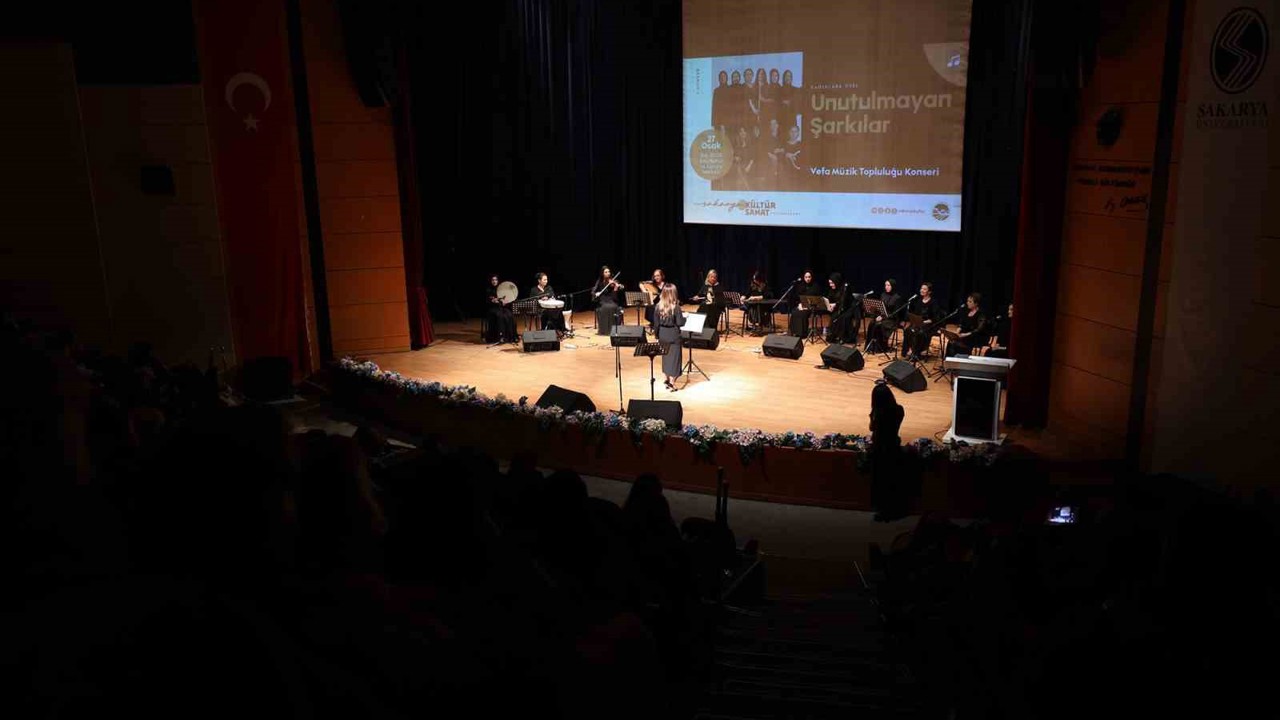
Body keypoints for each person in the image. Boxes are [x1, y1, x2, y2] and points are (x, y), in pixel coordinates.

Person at [869, 381, 908, 521]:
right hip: (894, 445)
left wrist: (872, 413)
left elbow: (872, 428)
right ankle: (895, 508)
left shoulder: (878, 415)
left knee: (881, 480)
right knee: (893, 480)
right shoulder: (900, 410)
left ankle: (883, 511)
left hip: (880, 449)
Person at [901, 281, 943, 359]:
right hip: (919, 323)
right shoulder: (919, 301)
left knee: (919, 332)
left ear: (929, 292)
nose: (922, 290)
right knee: (908, 330)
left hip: (929, 324)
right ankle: (910, 350)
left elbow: (935, 318)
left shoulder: (933, 302)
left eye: (924, 289)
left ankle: (916, 352)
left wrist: (925, 322)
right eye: (921, 288)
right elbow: (916, 314)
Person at [654, 285, 684, 390]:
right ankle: (672, 382)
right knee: (675, 359)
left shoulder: (658, 306)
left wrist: (657, 336)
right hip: (673, 335)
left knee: (665, 357)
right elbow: (680, 323)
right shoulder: (676, 307)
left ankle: (666, 379)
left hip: (662, 334)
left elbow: (656, 324)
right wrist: (685, 318)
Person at [866, 279, 904, 353]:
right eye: (885, 285)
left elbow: (895, 314)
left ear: (893, 286)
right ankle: (871, 346)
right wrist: (877, 315)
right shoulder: (883, 295)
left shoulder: (897, 298)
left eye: (888, 285)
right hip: (883, 317)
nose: (886, 287)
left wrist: (883, 317)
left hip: (892, 319)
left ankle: (880, 348)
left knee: (879, 325)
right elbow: (880, 309)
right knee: (872, 323)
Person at [946, 292, 990, 357]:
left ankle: (958, 361)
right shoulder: (967, 312)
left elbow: (979, 329)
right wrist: (956, 333)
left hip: (974, 337)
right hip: (964, 335)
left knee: (956, 343)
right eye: (967, 301)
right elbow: (961, 324)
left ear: (976, 303)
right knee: (951, 342)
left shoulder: (981, 314)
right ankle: (949, 363)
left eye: (970, 302)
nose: (967, 303)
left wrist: (965, 335)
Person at [592, 265, 624, 336]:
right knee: (604, 308)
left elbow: (615, 296)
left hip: (611, 299)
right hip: (603, 299)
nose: (608, 273)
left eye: (609, 272)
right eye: (606, 272)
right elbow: (593, 291)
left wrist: (616, 287)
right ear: (603, 273)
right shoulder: (599, 281)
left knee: (613, 307)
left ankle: (613, 330)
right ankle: (604, 330)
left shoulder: (614, 281)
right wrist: (596, 293)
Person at [787, 270, 822, 337]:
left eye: (809, 277)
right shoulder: (800, 286)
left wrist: (808, 306)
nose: (807, 279)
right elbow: (798, 298)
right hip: (802, 306)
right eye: (806, 277)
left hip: (812, 307)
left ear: (811, 277)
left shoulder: (815, 286)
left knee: (802, 313)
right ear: (803, 277)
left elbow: (818, 299)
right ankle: (794, 332)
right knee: (795, 312)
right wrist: (800, 305)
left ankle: (802, 333)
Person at [484, 274, 517, 344]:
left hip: (501, 307)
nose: (494, 281)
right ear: (490, 281)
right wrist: (493, 301)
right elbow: (487, 301)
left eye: (495, 280)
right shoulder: (488, 289)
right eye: (493, 280)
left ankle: (511, 336)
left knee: (510, 314)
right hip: (492, 308)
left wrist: (505, 302)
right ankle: (500, 336)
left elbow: (505, 299)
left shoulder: (501, 289)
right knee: (500, 316)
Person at [825, 272, 853, 343]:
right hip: (838, 308)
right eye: (829, 283)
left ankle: (842, 337)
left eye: (832, 283)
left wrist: (835, 304)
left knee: (839, 317)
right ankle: (834, 336)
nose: (830, 285)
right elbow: (829, 298)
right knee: (835, 316)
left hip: (847, 308)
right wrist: (829, 305)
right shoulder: (832, 289)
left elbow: (845, 301)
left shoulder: (845, 288)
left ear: (836, 281)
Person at [643, 268, 669, 333]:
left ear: (662, 276)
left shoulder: (666, 285)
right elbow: (641, 283)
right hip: (654, 304)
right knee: (650, 307)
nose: (656, 277)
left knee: (658, 308)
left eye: (658, 276)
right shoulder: (652, 284)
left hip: (664, 303)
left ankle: (657, 325)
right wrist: (645, 291)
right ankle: (654, 324)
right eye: (655, 276)